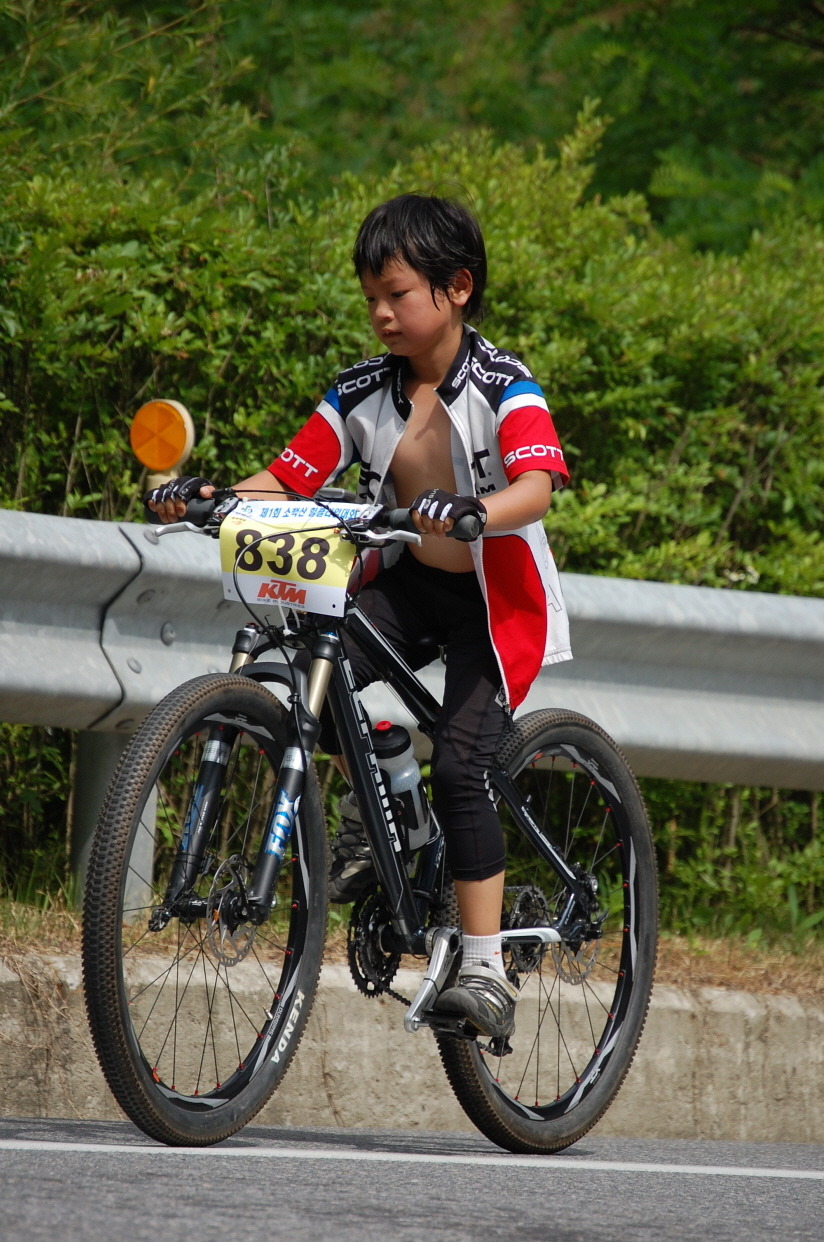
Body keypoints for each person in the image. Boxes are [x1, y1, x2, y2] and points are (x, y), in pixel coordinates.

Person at [148, 193, 572, 1041]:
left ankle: (485, 972)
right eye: (371, 295)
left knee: (463, 769)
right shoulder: (360, 390)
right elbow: (288, 478)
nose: (380, 312)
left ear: (457, 288)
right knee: (314, 674)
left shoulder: (504, 384)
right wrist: (208, 499)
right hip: (409, 583)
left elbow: (536, 487)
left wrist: (475, 511)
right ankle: (388, 783)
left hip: (494, 604)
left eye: (398, 294)